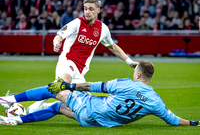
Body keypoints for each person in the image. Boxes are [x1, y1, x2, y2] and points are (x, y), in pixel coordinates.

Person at [0, 60, 199, 127]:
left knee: (55, 89)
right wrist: (193, 123)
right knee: (58, 108)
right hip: (100, 122)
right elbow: (172, 120)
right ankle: (17, 121)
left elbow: (91, 87)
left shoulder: (125, 84)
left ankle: (10, 99)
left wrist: (67, 87)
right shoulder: (156, 101)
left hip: (90, 109)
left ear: (137, 73)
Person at [27, 0, 138, 113]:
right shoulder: (77, 23)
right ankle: (35, 104)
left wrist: (130, 62)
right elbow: (59, 35)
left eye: (91, 9)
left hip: (81, 70)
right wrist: (57, 42)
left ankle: (46, 106)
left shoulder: (103, 29)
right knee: (64, 81)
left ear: (98, 10)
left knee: (81, 104)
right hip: (67, 60)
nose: (87, 12)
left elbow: (113, 47)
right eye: (85, 9)